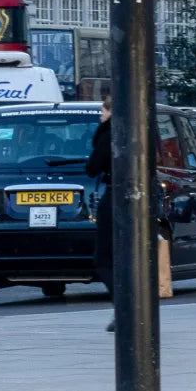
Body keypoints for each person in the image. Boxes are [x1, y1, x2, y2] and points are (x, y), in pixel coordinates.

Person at [85, 98, 114, 331]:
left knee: (103, 258)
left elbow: (93, 166)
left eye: (102, 111)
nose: (100, 115)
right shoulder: (139, 130)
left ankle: (124, 305)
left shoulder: (108, 133)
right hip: (136, 198)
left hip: (114, 197)